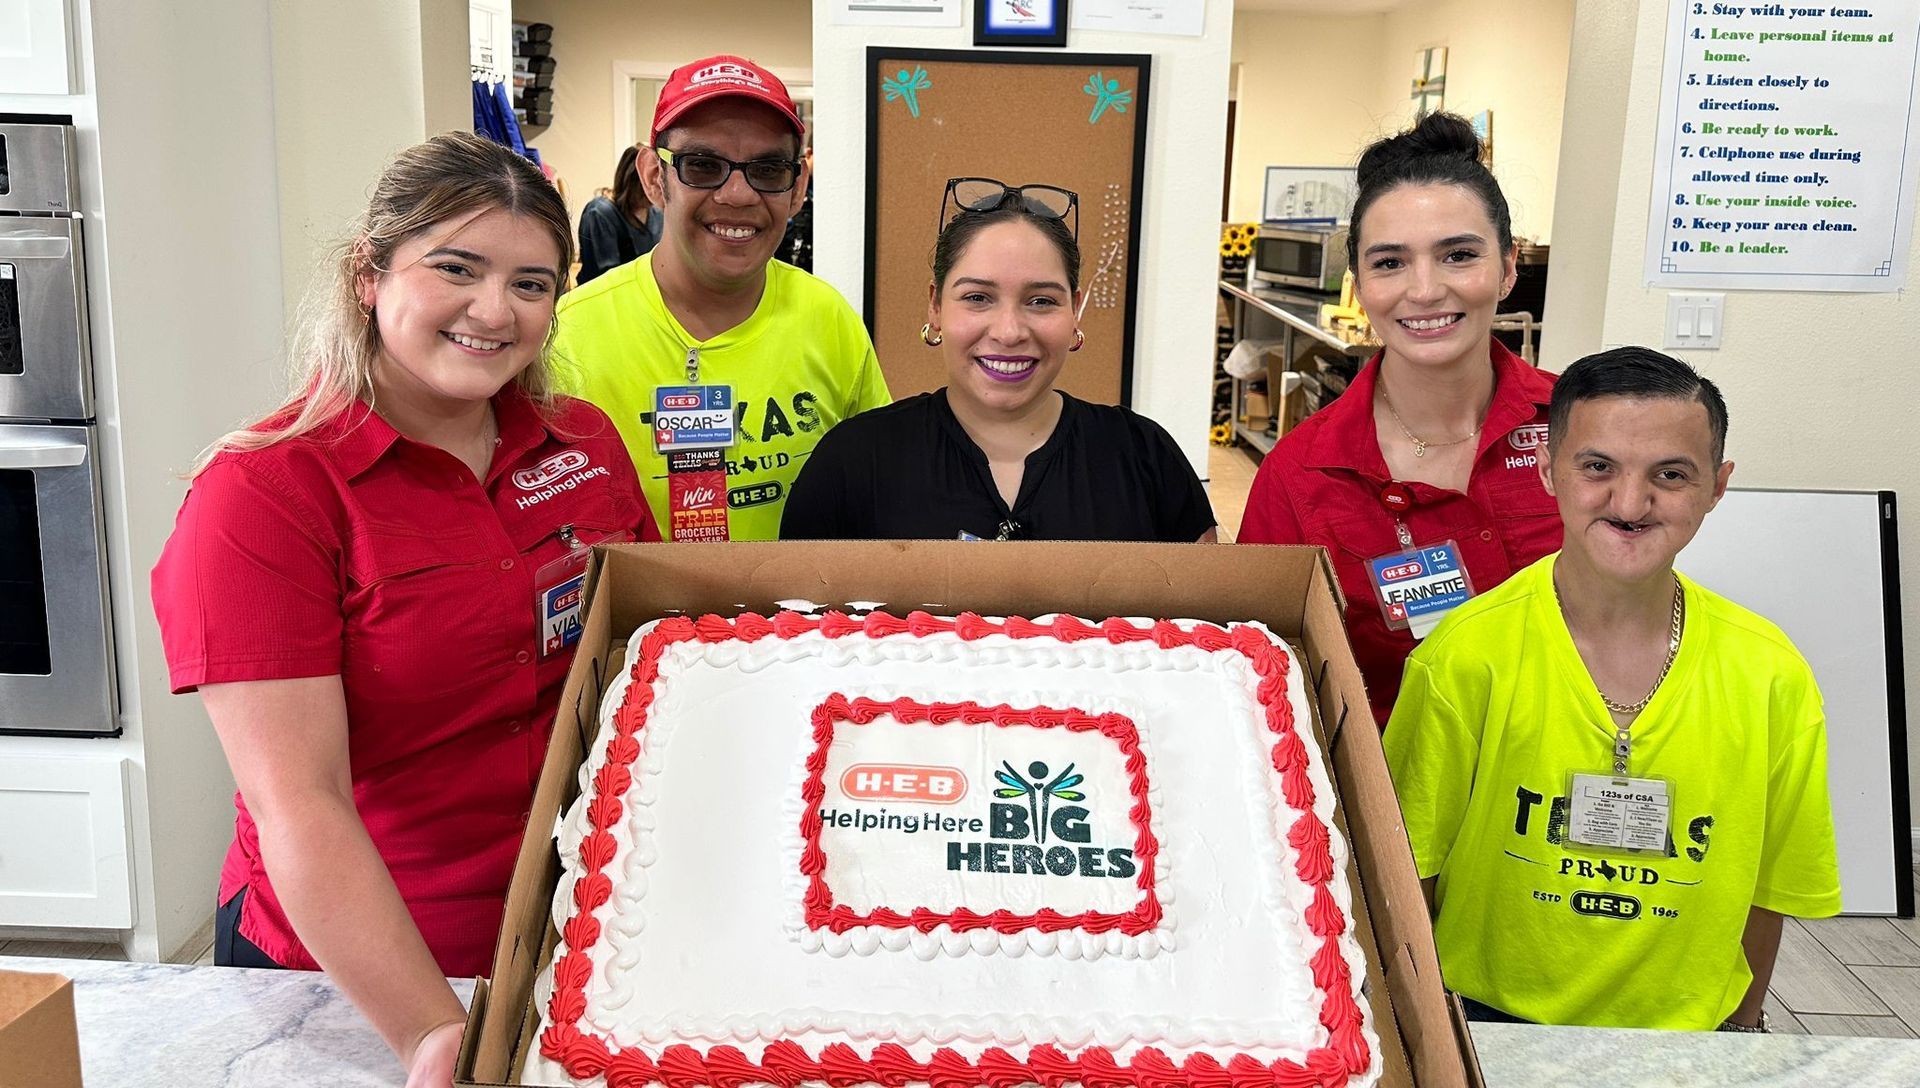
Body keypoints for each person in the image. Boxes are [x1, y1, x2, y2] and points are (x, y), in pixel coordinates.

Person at [150, 133, 658, 1088]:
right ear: (368, 274)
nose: (494, 310)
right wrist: (429, 1030)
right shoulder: (263, 496)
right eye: (456, 269)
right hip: (360, 979)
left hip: (580, 934)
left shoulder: (584, 444)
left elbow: (644, 669)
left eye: (531, 284)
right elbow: (301, 802)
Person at [1383, 347, 1841, 1031]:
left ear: (1718, 486)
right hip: (1485, 1023)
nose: (1630, 503)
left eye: (1671, 474)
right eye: (1598, 467)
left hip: (1692, 1036)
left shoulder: (1771, 674)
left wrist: (1742, 1033)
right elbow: (1405, 872)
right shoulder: (1464, 658)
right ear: (1548, 470)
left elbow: (1768, 889)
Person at [1237, 112, 1559, 726]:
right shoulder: (1300, 477)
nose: (1425, 289)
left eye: (1458, 255)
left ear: (1508, 267)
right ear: (1358, 286)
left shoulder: (1584, 427)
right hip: (1397, 778)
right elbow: (1267, 675)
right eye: (1390, 263)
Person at [551, 55, 890, 541]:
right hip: (630, 594)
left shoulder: (828, 318)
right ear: (654, 177)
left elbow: (875, 487)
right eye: (703, 165)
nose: (737, 195)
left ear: (797, 189)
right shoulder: (570, 333)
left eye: (768, 169)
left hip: (799, 594)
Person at [780, 177, 1215, 542]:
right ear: (936, 306)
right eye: (977, 297)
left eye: (1041, 300)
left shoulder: (1145, 458)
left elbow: (1204, 611)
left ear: (1075, 312)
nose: (1009, 332)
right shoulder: (852, 462)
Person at [576, 144, 662, 284]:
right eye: (648, 181)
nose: (655, 189)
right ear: (630, 181)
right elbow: (607, 277)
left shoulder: (657, 213)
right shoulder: (600, 214)